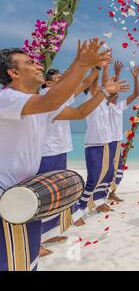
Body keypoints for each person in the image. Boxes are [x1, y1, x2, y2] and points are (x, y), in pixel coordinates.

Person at [0, 39, 110, 271]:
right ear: (13, 72)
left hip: (25, 195)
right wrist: (81, 64)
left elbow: (80, 112)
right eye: (30, 62)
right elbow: (53, 98)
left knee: (26, 261)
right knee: (10, 261)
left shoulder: (37, 105)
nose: (39, 65)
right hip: (6, 198)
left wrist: (103, 91)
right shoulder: (6, 98)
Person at [38, 55, 127, 256]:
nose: (63, 80)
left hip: (59, 149)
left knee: (57, 193)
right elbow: (84, 96)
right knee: (46, 195)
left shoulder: (59, 96)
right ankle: (37, 240)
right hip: (46, 152)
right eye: (58, 78)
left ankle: (49, 233)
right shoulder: (46, 97)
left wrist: (97, 66)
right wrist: (96, 69)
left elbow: (84, 83)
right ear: (47, 82)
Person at [72, 59, 130, 225]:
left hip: (104, 144)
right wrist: (101, 66)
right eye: (99, 88)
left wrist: (110, 73)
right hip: (94, 144)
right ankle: (77, 211)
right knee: (93, 179)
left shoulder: (104, 103)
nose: (104, 88)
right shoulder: (91, 98)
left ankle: (99, 202)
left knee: (108, 175)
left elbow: (107, 85)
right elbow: (98, 82)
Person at [107, 60, 139, 203]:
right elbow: (113, 87)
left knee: (117, 169)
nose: (116, 94)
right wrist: (117, 74)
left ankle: (112, 192)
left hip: (117, 141)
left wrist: (135, 77)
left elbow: (136, 94)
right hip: (106, 141)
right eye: (113, 93)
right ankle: (102, 195)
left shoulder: (120, 106)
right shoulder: (104, 105)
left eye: (117, 93)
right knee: (106, 170)